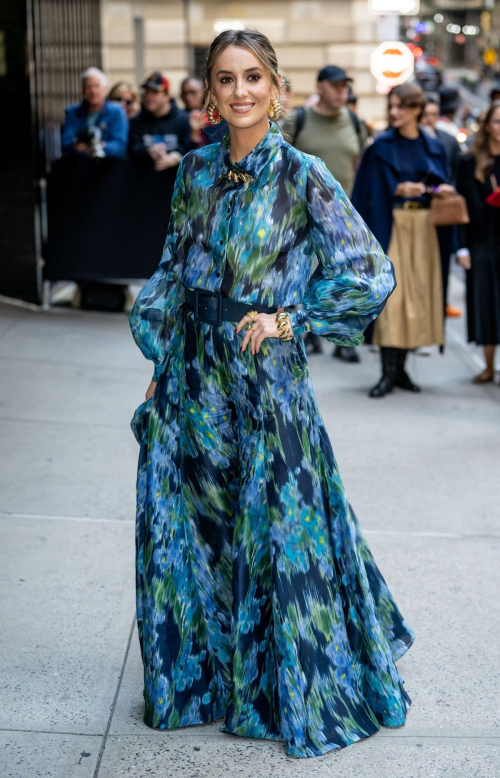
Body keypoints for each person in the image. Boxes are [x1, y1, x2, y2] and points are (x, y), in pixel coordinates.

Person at [129, 29, 414, 758]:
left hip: (265, 380)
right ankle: (206, 680)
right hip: (194, 374)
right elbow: (171, 267)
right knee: (198, 529)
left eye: (253, 77)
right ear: (209, 91)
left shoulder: (303, 175)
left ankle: (272, 685)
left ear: (276, 85)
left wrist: (294, 317)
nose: (240, 92)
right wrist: (161, 351)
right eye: (225, 79)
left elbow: (369, 271)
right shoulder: (193, 171)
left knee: (276, 533)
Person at [352, 83, 454, 398]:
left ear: (416, 109)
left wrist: (439, 190)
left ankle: (401, 370)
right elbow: (361, 195)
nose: (394, 112)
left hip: (424, 228)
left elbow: (443, 183)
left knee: (418, 298)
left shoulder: (433, 146)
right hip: (390, 225)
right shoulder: (379, 147)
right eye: (392, 106)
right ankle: (387, 372)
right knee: (392, 301)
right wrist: (397, 189)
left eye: (402, 106)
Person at [282, 65, 367, 363]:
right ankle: (303, 332)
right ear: (319, 87)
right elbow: (278, 164)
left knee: (345, 279)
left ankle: (344, 339)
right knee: (303, 276)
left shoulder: (355, 122)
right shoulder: (298, 120)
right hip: (301, 216)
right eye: (335, 85)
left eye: (345, 86)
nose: (341, 91)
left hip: (343, 218)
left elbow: (360, 164)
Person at [456, 101, 500, 384]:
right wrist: (461, 247)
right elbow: (461, 206)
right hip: (482, 240)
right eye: (497, 121)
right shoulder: (469, 160)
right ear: (487, 126)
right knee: (485, 302)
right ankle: (488, 365)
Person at [421, 97, 463, 319]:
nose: (429, 120)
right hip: (416, 215)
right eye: (426, 114)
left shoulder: (447, 141)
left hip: (442, 213)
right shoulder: (413, 141)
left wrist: (447, 191)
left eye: (434, 115)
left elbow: (457, 173)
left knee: (439, 267)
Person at [128, 71, 191, 170]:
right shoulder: (136, 121)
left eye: (155, 92)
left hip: (175, 181)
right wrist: (148, 150)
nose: (149, 96)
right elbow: (132, 148)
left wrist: (176, 156)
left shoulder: (183, 119)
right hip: (144, 180)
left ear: (167, 96)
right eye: (147, 91)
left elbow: (190, 147)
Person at [61, 67, 128, 158]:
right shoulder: (72, 112)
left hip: (108, 166)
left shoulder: (116, 111)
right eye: (89, 87)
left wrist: (100, 146)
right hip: (80, 165)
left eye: (97, 86)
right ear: (83, 90)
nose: (93, 91)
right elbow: (65, 142)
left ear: (105, 89)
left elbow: (120, 145)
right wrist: (75, 146)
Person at [179, 75, 227, 148]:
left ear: (203, 93)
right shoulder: (180, 118)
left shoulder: (214, 116)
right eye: (185, 93)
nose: (188, 97)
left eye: (193, 92)